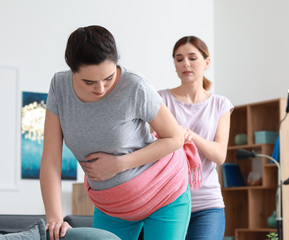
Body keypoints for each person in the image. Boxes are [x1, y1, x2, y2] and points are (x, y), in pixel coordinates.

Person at [40, 26, 201, 240]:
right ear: (72, 70)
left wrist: (119, 164)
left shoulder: (135, 86)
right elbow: (51, 158)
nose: (101, 89)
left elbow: (175, 138)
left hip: (164, 192)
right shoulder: (59, 86)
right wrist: (54, 217)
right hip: (112, 205)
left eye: (108, 77)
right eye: (89, 82)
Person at [158, 36, 233, 240]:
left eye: (192, 58)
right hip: (168, 201)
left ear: (206, 62)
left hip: (207, 204)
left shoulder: (220, 104)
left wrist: (192, 136)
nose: (186, 64)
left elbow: (219, 156)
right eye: (179, 59)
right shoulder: (160, 100)